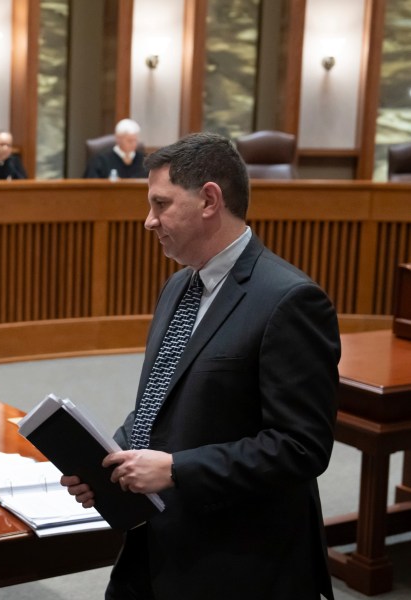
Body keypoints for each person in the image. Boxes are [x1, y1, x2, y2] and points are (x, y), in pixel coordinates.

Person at [62, 132, 340, 599]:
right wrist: (108, 463)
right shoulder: (177, 286)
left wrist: (177, 470)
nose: (148, 221)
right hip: (154, 542)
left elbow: (302, 447)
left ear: (210, 199)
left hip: (237, 562)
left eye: (161, 204)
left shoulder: (290, 301)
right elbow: (158, 404)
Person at [83, 118, 148, 179]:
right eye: (129, 141)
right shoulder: (100, 161)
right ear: (118, 139)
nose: (134, 144)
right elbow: (90, 186)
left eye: (135, 140)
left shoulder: (145, 161)